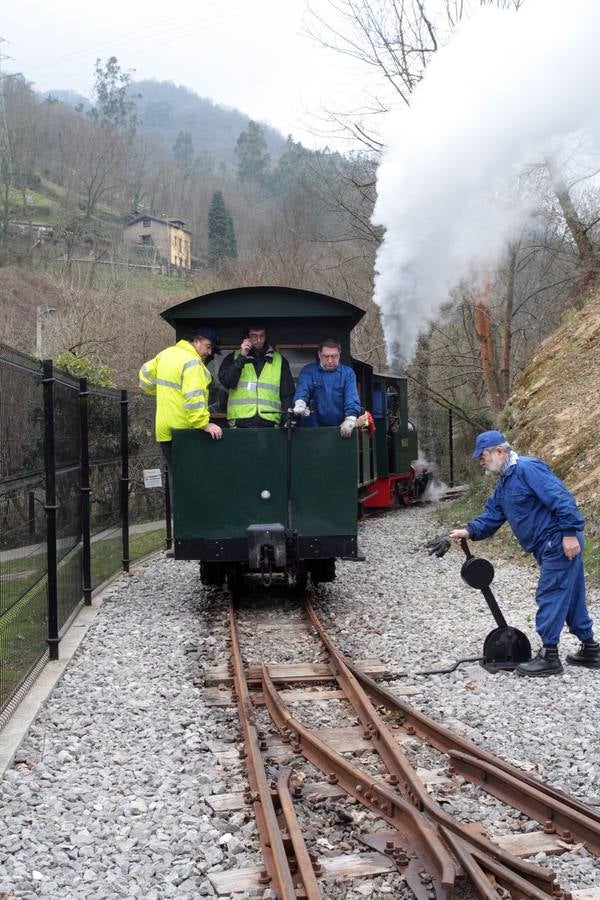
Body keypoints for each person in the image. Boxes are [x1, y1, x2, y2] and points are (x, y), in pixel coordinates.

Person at [449, 430, 599, 677]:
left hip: (559, 540)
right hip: (550, 544)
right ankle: (591, 649)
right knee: (571, 593)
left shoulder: (528, 469)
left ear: (499, 451)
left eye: (483, 456)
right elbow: (492, 516)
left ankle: (549, 657)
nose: (481, 461)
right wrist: (467, 531)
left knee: (550, 593)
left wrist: (570, 534)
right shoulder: (505, 483)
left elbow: (561, 499)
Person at [139, 326, 223, 499]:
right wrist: (204, 423)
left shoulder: (166, 354)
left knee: (175, 478)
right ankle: (192, 520)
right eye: (208, 346)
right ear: (196, 341)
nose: (208, 352)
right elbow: (194, 398)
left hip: (164, 430)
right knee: (190, 479)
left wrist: (164, 392)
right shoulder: (192, 362)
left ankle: (177, 520)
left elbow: (145, 378)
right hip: (185, 430)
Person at [218, 324, 295, 427]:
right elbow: (227, 382)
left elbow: (287, 394)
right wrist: (241, 357)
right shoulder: (234, 357)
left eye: (262, 336)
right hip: (240, 422)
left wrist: (287, 419)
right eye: (254, 336)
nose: (259, 340)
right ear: (247, 337)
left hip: (270, 423)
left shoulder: (280, 361)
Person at [292, 339, 361, 438]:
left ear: (339, 354)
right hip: (311, 432)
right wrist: (300, 402)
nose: (330, 360)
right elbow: (303, 389)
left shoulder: (347, 373)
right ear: (319, 355)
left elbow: (351, 397)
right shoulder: (308, 371)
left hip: (339, 430)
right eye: (326, 356)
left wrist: (350, 419)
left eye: (334, 356)